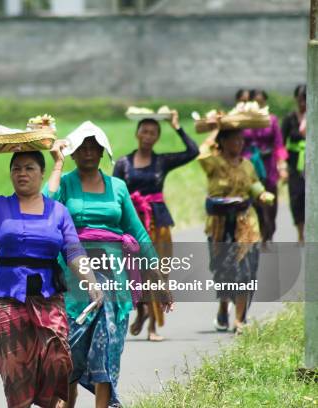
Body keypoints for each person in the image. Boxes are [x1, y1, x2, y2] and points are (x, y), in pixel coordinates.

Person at [0, 135, 103, 408]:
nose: (22, 173)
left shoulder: (57, 211)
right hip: (7, 298)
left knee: (58, 359)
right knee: (15, 370)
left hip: (48, 296)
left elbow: (73, 251)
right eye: (16, 168)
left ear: (41, 173)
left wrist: (91, 281)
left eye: (29, 168)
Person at [46, 121, 172, 408]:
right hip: (75, 278)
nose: (89, 152)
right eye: (83, 147)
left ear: (103, 152)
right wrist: (56, 164)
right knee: (70, 354)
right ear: (74, 153)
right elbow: (47, 205)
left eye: (95, 147)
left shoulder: (118, 187)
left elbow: (138, 233)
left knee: (106, 351)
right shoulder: (65, 183)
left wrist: (160, 280)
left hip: (115, 278)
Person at [113, 110, 198, 341]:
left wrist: (176, 126)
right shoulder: (123, 163)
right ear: (137, 133)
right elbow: (114, 194)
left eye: (153, 132)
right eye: (144, 131)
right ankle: (141, 311)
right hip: (132, 223)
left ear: (157, 137)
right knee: (134, 273)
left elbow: (193, 151)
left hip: (159, 222)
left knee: (158, 272)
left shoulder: (162, 161)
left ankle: (153, 327)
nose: (148, 136)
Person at [198, 128, 274, 334]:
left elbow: (254, 184)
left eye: (241, 140)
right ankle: (223, 305)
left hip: (245, 223)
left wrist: (263, 194)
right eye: (233, 139)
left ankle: (240, 319)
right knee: (222, 270)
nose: (239, 143)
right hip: (219, 224)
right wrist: (216, 127)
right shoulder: (213, 162)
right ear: (223, 141)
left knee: (246, 270)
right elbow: (202, 152)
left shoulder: (247, 165)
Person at [242, 89, 288, 245]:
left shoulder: (272, 120)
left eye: (261, 102)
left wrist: (282, 165)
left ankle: (270, 232)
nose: (258, 105)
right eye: (255, 102)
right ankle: (261, 234)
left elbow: (279, 143)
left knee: (270, 201)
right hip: (250, 165)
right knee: (256, 202)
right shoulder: (244, 120)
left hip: (268, 165)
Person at [281, 84, 307, 244]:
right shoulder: (290, 119)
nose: (303, 103)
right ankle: (300, 232)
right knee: (296, 197)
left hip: (312, 164)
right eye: (300, 100)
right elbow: (281, 144)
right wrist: (282, 166)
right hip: (294, 164)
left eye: (305, 99)